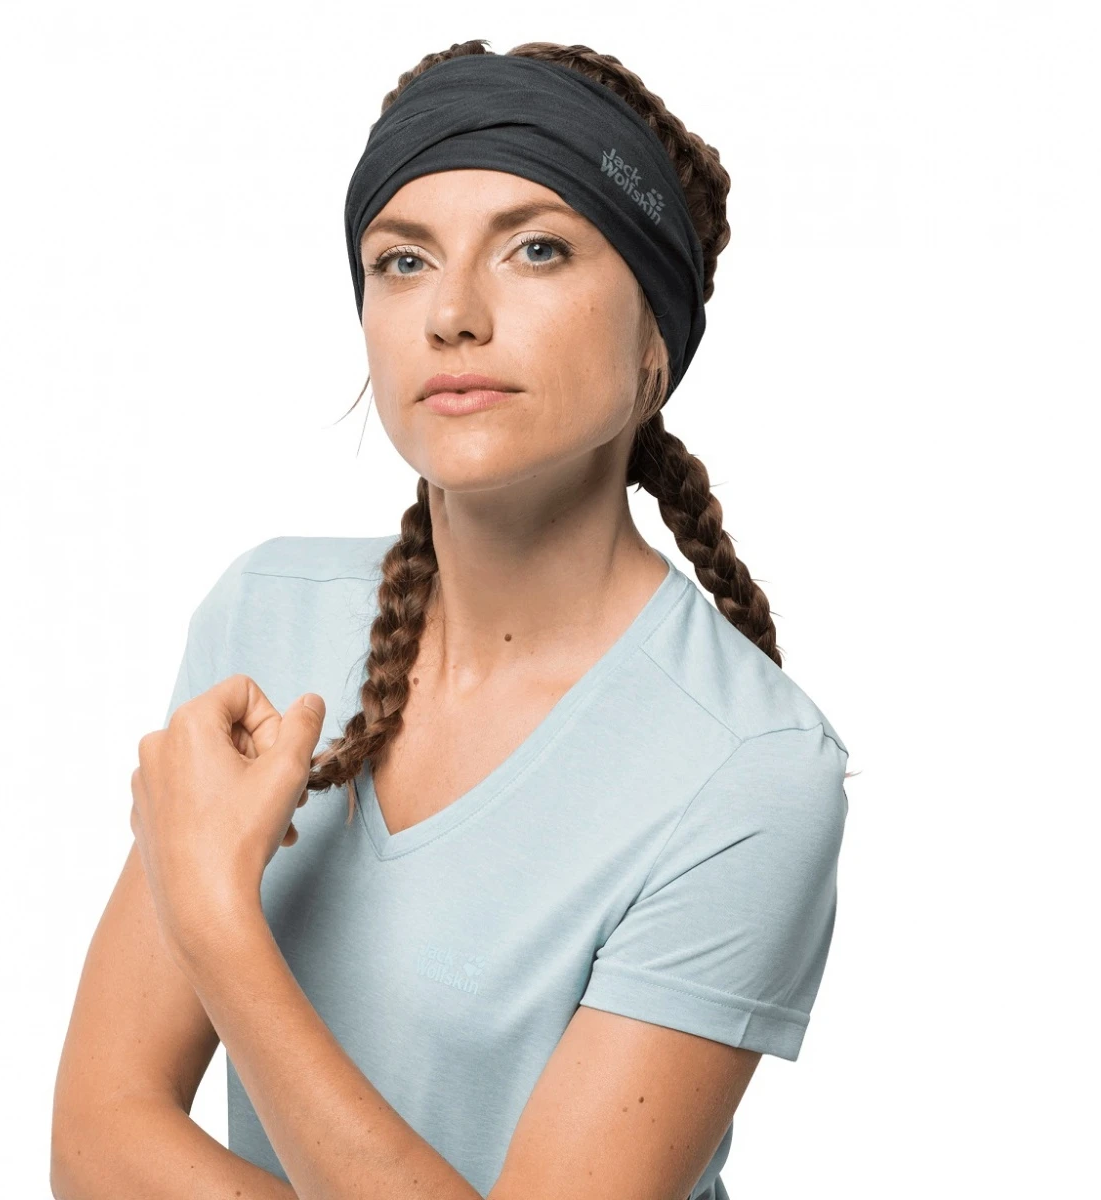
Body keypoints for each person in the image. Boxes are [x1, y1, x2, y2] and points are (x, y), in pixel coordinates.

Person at [52, 40, 851, 1200]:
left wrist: (219, 922)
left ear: (655, 343)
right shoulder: (266, 616)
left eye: (537, 249)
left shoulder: (753, 769)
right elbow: (95, 1142)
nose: (454, 314)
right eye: (403, 260)